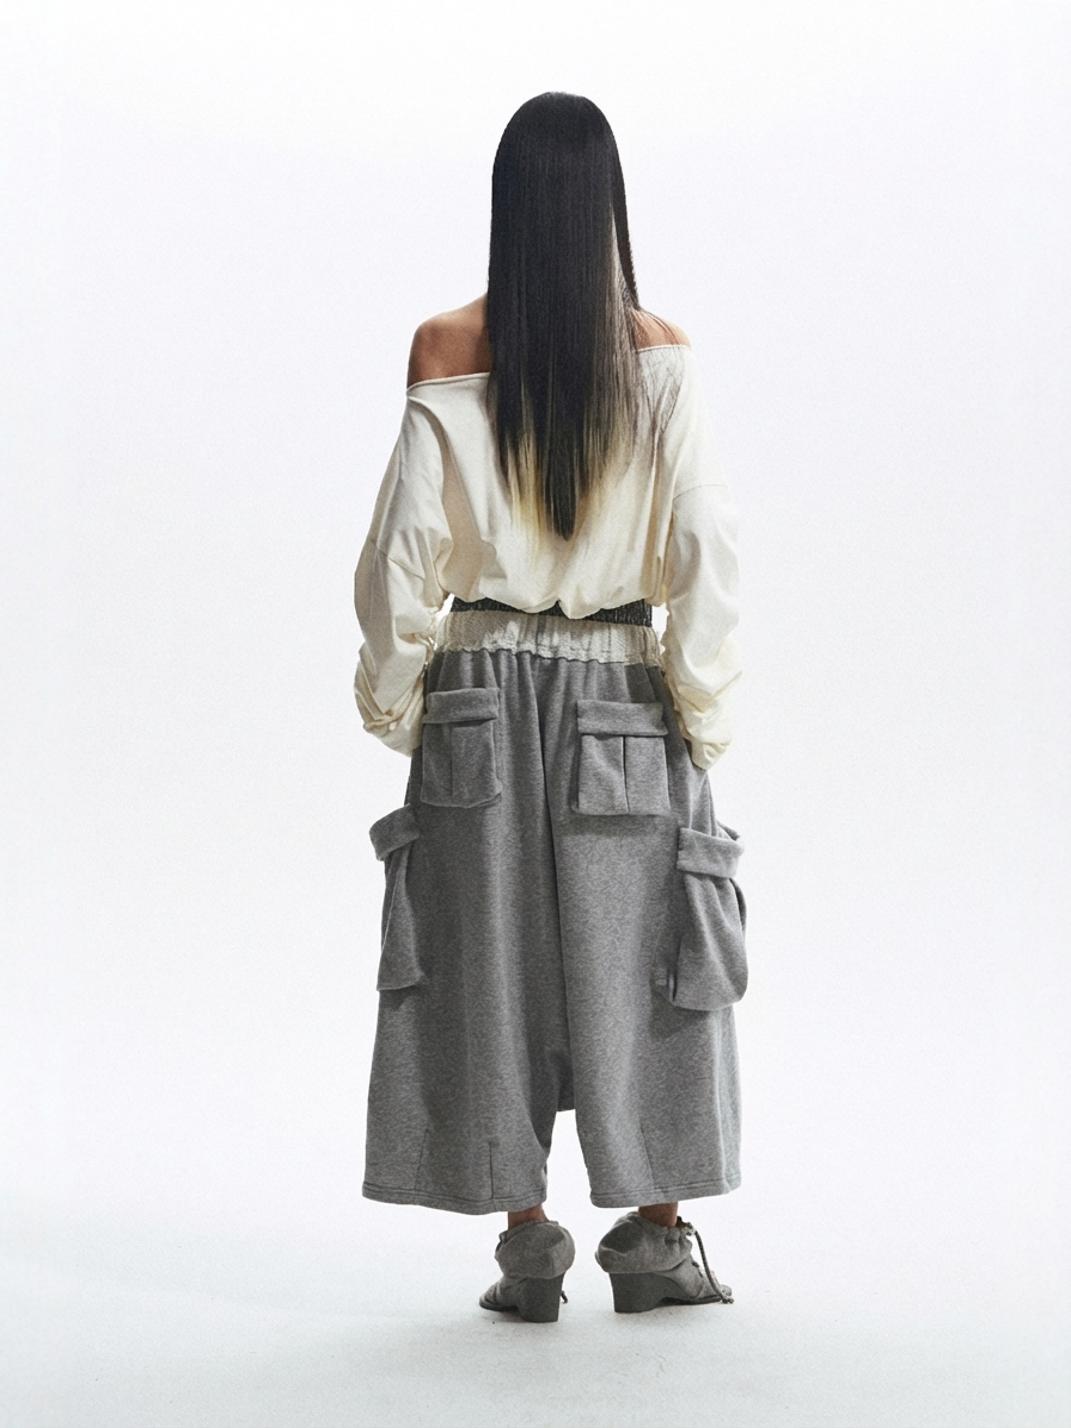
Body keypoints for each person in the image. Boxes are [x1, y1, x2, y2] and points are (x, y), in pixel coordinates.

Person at [353, 92, 748, 1321]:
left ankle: (528, 1250)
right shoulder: (659, 352)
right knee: (650, 959)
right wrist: (700, 709)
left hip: (475, 687)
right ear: (607, 205)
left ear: (508, 205)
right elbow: (707, 547)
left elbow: (402, 555)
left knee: (486, 961)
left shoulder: (444, 346)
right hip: (622, 684)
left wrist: (398, 698)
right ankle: (656, 1240)